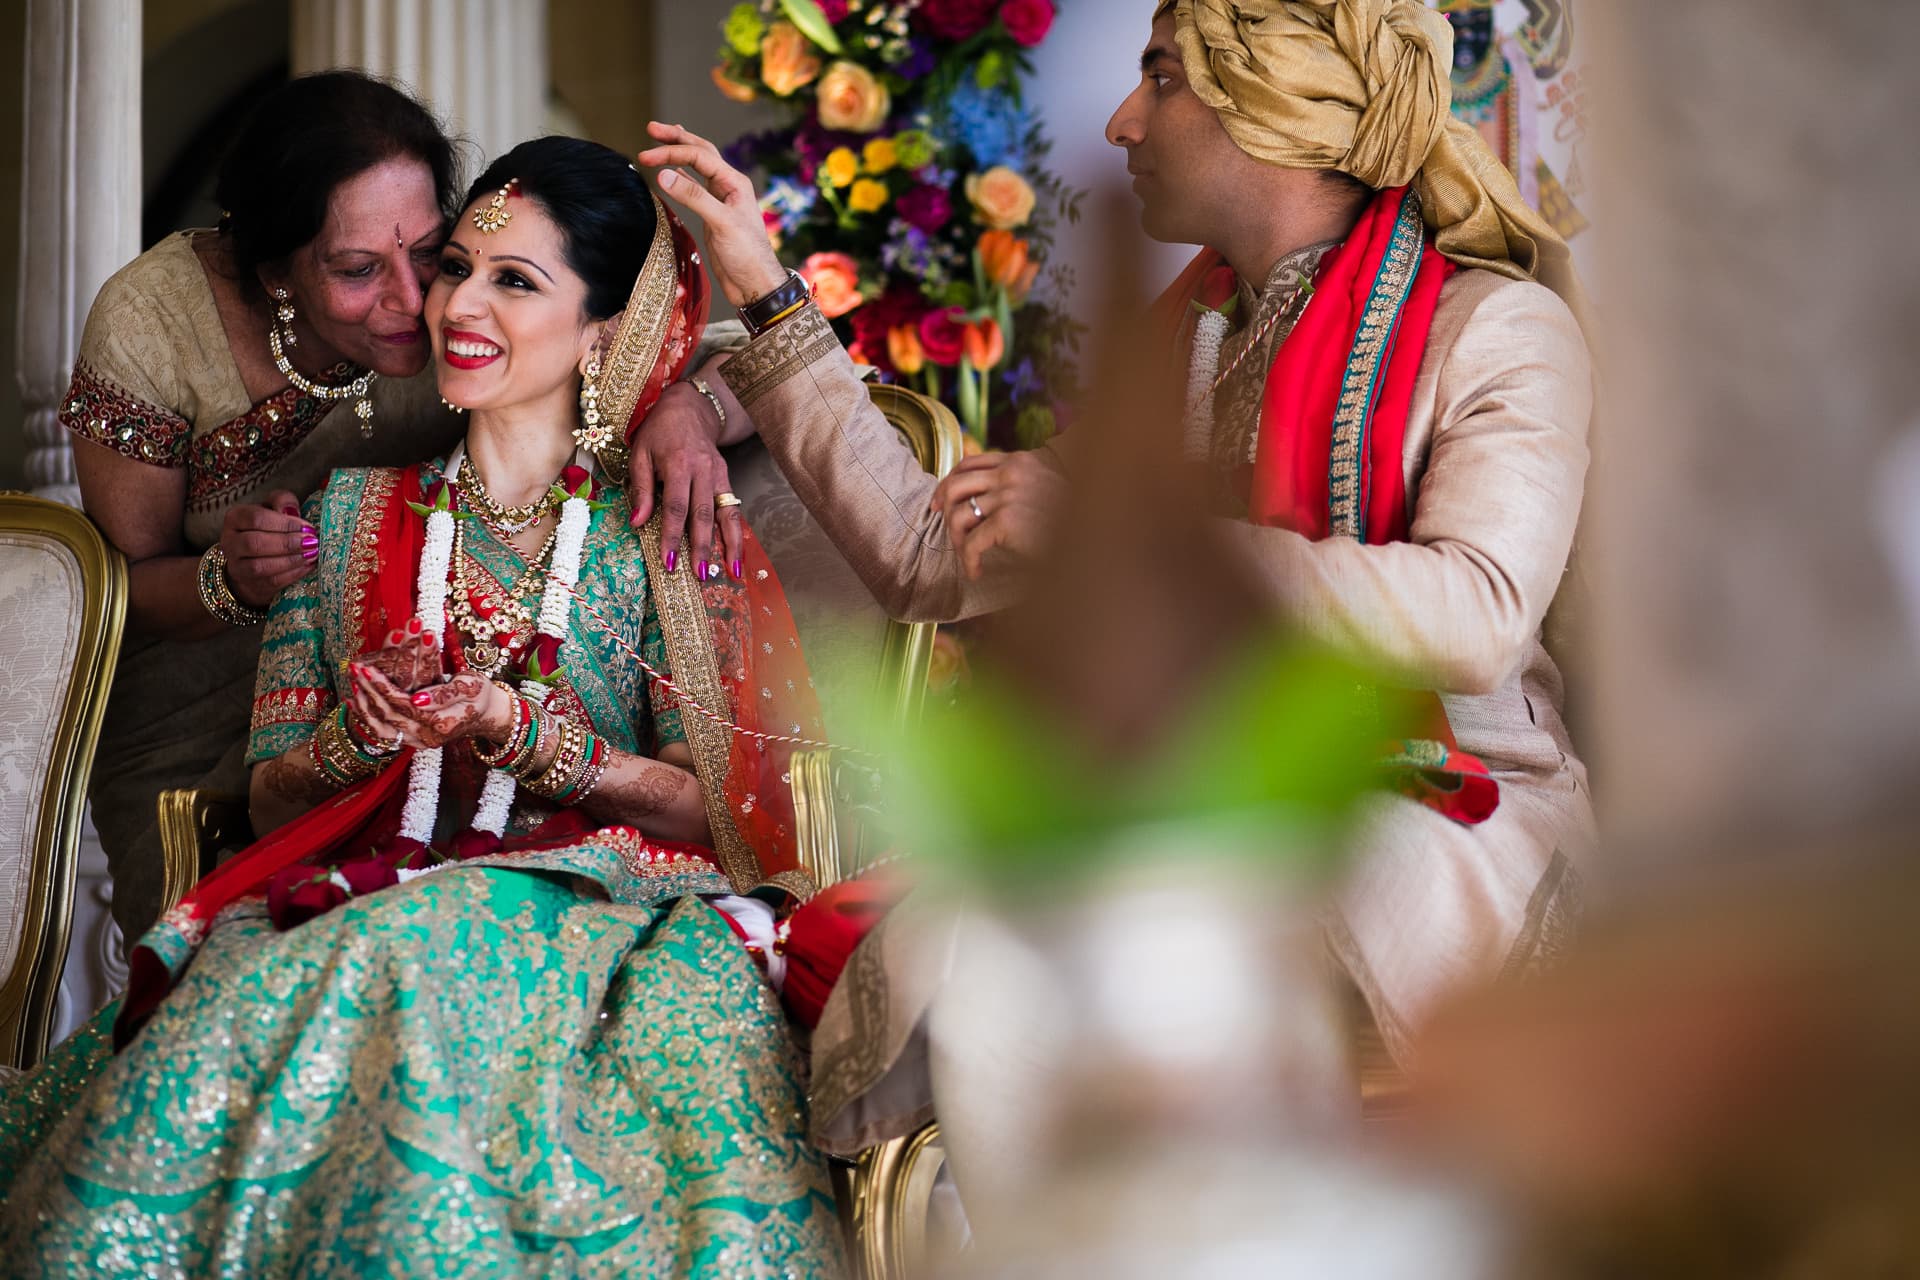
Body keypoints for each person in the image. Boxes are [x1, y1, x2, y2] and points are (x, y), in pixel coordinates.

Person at [638, 0, 1594, 1187]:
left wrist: (1151, 539)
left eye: (1160, 78)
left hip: (1452, 808)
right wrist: (764, 286)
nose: (1122, 120)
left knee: (1154, 917)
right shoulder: (1190, 341)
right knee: (985, 950)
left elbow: (1478, 611)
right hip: (1198, 801)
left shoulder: (1497, 326)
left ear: (1272, 103)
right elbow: (938, 559)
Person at [1, 137, 843, 1275]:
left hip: (601, 911)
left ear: (608, 330)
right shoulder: (346, 511)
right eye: (456, 267)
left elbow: (721, 811)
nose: (458, 304)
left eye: (515, 280)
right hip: (359, 886)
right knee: (298, 974)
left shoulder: (666, 523)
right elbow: (270, 786)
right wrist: (362, 733)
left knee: (401, 953)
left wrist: (530, 736)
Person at [66, 72, 749, 941]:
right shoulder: (157, 329)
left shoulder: (643, 523)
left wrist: (692, 407)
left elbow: (748, 356)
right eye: (357, 271)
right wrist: (235, 587)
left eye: (431, 252)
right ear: (278, 271)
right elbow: (119, 585)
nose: (426, 300)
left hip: (558, 883)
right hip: (201, 695)